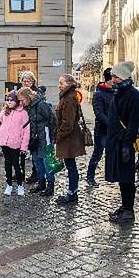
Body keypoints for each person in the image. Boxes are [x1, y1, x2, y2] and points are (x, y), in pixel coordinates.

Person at [105, 61, 139, 223]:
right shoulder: (118, 92)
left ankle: (129, 209)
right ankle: (125, 206)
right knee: (121, 177)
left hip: (124, 143)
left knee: (127, 177)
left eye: (116, 76)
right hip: (115, 142)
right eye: (113, 76)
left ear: (124, 77)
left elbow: (134, 122)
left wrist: (127, 144)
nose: (113, 79)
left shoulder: (132, 94)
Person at [0, 87, 32, 196]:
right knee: (7, 164)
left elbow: (26, 131)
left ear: (17, 101)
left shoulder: (23, 113)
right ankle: (9, 184)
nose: (9, 102)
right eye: (7, 100)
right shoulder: (4, 112)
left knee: (17, 165)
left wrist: (24, 146)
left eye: (11, 100)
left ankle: (20, 185)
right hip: (5, 143)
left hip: (16, 144)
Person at [53, 74, 86, 205]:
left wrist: (59, 136)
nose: (59, 86)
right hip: (69, 136)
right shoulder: (67, 96)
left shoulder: (70, 97)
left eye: (61, 83)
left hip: (69, 138)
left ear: (69, 83)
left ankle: (72, 193)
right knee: (70, 165)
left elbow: (68, 122)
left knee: (71, 166)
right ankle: (72, 192)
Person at [27, 83, 57, 196]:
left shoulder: (41, 105)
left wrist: (49, 134)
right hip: (35, 138)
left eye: (23, 101)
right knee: (36, 160)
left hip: (44, 136)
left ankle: (50, 185)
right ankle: (41, 182)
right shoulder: (29, 106)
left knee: (46, 161)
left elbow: (52, 119)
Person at [85, 68, 113, 186]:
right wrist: (111, 124)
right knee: (98, 154)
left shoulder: (117, 92)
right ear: (109, 79)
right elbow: (99, 113)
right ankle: (90, 177)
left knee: (114, 154)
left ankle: (113, 175)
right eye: (115, 78)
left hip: (115, 130)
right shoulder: (98, 94)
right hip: (102, 130)